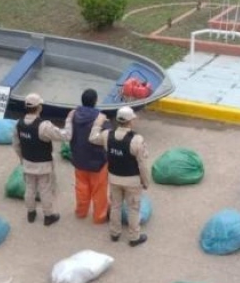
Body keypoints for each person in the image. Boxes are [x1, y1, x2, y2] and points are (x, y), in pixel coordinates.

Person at [89, 106, 149, 247]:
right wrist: (145, 181)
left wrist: (98, 123)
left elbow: (92, 138)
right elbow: (142, 165)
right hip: (132, 180)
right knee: (133, 208)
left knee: (115, 206)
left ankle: (115, 233)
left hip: (114, 177)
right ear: (131, 121)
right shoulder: (137, 140)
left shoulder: (107, 135)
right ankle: (134, 237)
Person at [12, 93, 69, 226]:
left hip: (27, 162)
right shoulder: (44, 126)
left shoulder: (18, 124)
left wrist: (22, 159)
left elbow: (16, 144)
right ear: (39, 108)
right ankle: (48, 216)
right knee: (45, 190)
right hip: (43, 164)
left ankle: (31, 213)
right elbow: (62, 136)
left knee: (30, 188)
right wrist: (69, 124)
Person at [65, 89, 111, 224]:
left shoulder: (73, 115)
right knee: (99, 191)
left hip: (78, 159)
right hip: (97, 161)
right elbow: (108, 137)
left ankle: (81, 212)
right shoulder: (101, 118)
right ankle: (99, 216)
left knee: (81, 188)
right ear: (95, 101)